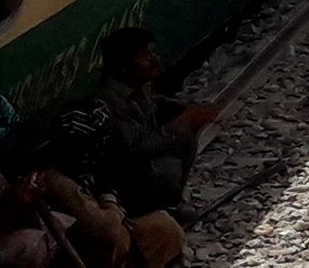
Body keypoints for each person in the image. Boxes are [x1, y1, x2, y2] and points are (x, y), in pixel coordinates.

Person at [89, 27, 216, 215]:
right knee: (168, 166)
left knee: (184, 140)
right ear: (123, 65)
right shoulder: (109, 102)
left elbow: (155, 103)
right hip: (122, 175)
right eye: (145, 56)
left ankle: (170, 202)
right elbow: (136, 146)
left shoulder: (138, 85)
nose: (154, 60)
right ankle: (149, 209)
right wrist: (180, 125)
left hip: (138, 162)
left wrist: (186, 107)